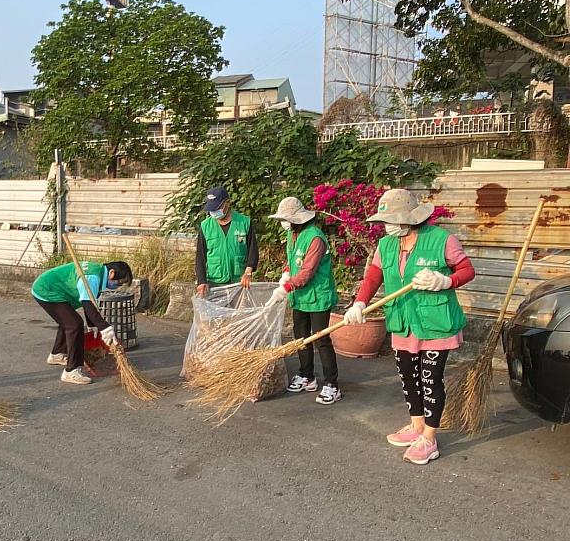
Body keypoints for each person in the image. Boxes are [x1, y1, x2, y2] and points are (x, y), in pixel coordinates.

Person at [343, 189, 475, 464]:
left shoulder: (441, 240)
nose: (385, 225)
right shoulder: (386, 244)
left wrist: (445, 281)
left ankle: (429, 437)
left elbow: (467, 269)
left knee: (430, 380)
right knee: (407, 377)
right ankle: (416, 425)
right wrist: (359, 303)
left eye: (390, 219)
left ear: (408, 218)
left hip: (435, 324)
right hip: (403, 321)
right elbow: (374, 275)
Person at [266, 197, 341, 405]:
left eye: (286, 219)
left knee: (320, 339)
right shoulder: (293, 234)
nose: (284, 223)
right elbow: (292, 261)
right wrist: (286, 274)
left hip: (318, 296)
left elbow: (307, 271)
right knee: (300, 337)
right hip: (299, 296)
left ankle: (332, 384)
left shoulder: (315, 238)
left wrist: (286, 287)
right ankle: (307, 375)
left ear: (297, 219)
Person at [31, 260, 133, 385]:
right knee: (74, 325)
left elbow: (88, 302)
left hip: (54, 289)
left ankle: (57, 354)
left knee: (69, 320)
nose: (118, 286)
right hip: (47, 290)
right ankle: (71, 371)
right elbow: (87, 304)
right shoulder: (92, 277)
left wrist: (92, 325)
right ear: (112, 273)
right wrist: (105, 328)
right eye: (119, 282)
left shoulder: (98, 272)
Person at [195, 187, 259, 298]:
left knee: (237, 314)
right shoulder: (206, 226)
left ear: (227, 203)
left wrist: (248, 272)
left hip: (239, 282)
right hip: (214, 282)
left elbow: (253, 251)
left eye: (217, 208)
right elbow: (200, 257)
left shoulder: (244, 222)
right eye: (211, 209)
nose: (214, 212)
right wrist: (201, 281)